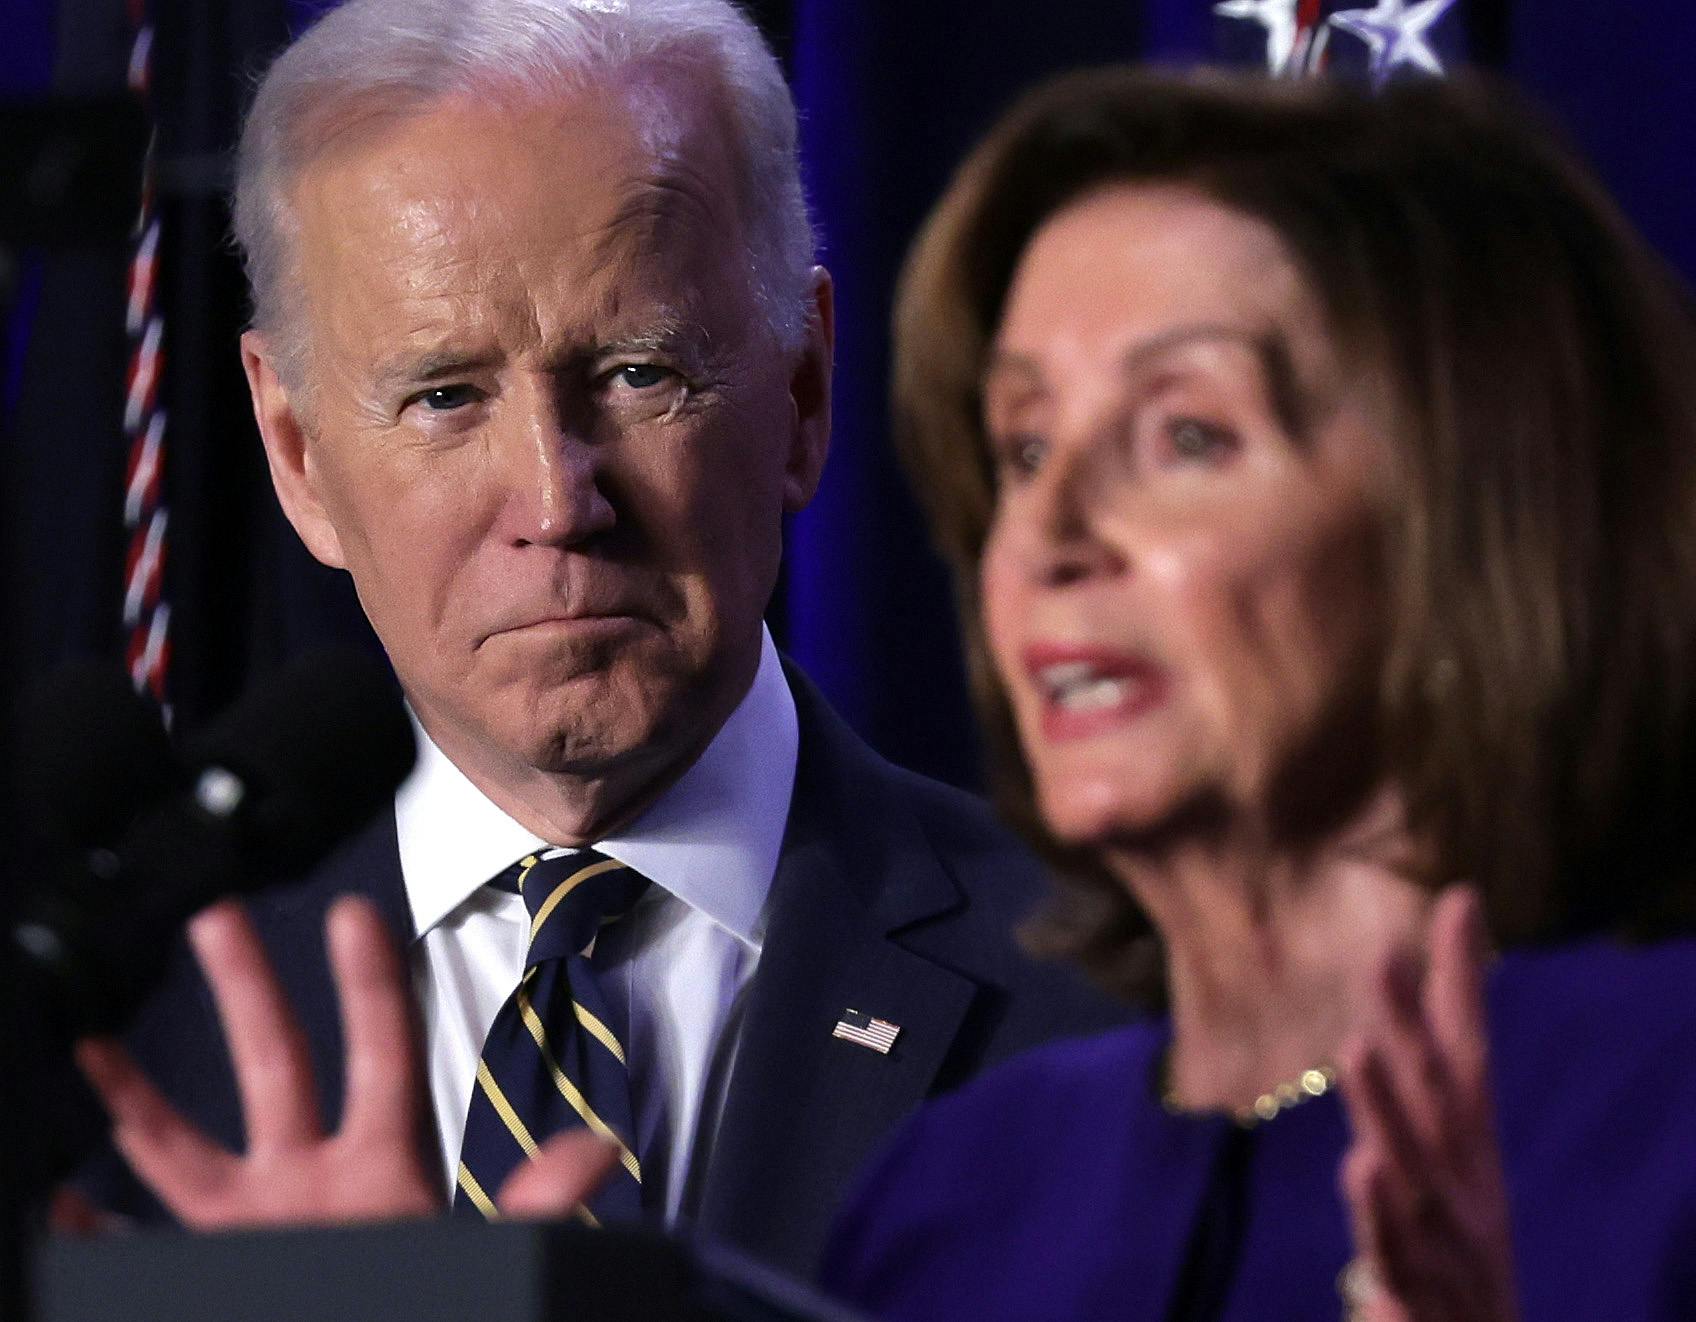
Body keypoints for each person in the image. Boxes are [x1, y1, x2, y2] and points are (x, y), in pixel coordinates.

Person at [815, 68, 1696, 1319]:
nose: (1045, 534)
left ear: (1471, 531)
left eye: (1186, 435)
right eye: (1025, 447)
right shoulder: (949, 1202)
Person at [66, 0, 1120, 1279]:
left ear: (800, 394)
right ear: (296, 456)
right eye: (445, 395)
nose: (561, 503)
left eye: (638, 373)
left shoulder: (1120, 994)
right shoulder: (99, 1039)